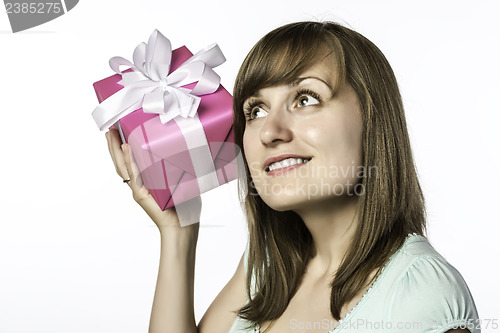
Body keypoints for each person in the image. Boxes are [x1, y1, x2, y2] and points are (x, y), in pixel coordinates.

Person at [105, 21, 480, 333]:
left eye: (306, 99)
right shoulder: (265, 267)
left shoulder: (419, 295)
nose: (270, 131)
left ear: (373, 118)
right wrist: (178, 233)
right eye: (255, 109)